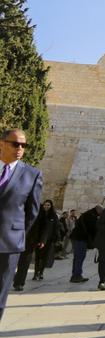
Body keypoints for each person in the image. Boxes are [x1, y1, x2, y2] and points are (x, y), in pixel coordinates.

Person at [1, 129, 43, 322]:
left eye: (23, 145)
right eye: (15, 144)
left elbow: (32, 212)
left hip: (10, 244)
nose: (20, 149)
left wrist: (16, 233)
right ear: (2, 143)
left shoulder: (32, 174)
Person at [12, 199, 58, 289]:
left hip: (30, 239)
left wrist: (43, 240)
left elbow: (45, 227)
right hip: (13, 235)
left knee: (25, 261)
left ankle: (19, 282)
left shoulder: (38, 210)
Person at [69, 204, 100, 283]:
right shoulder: (91, 215)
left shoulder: (90, 214)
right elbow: (92, 229)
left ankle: (76, 275)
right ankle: (76, 276)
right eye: (101, 211)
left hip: (79, 238)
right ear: (98, 209)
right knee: (79, 257)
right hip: (80, 239)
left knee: (78, 257)